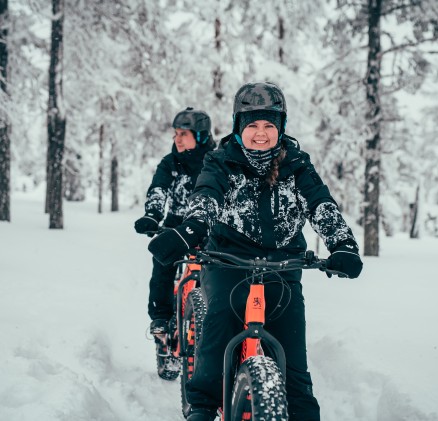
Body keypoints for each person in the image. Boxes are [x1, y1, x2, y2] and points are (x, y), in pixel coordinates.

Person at [148, 82, 363, 421]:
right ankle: (201, 409)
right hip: (228, 264)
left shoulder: (297, 164)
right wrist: (191, 229)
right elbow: (207, 197)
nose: (260, 134)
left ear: (281, 128)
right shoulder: (221, 162)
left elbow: (320, 203)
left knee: (296, 376)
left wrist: (342, 243)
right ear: (238, 127)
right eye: (252, 125)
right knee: (216, 337)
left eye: (269, 125)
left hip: (282, 269)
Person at [134, 107, 215, 335]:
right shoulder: (170, 163)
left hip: (208, 228)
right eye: (175, 134)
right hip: (175, 224)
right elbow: (159, 189)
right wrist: (152, 214)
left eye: (183, 134)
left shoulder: (216, 162)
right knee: (163, 263)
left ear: (200, 137)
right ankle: (161, 320)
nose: (177, 139)